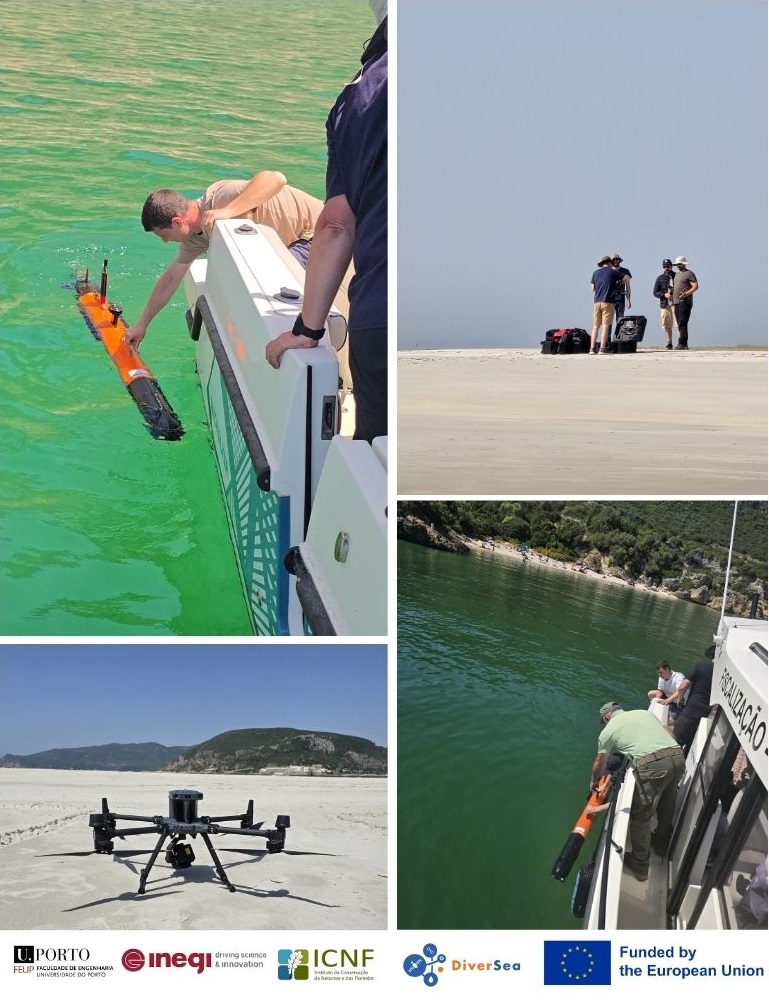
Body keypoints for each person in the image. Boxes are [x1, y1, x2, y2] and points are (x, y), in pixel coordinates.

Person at [265, 15, 388, 444]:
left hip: (380, 316)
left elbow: (336, 225)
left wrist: (307, 330)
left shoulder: (359, 97)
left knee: (376, 454)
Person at [125, 173, 323, 347]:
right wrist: (142, 324)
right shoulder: (194, 238)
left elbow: (276, 178)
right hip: (286, 244)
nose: (166, 241)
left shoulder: (220, 195)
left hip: (316, 234)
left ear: (177, 222)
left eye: (164, 235)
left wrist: (228, 211)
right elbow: (170, 279)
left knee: (271, 284)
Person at [590, 701, 685, 880]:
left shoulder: (608, 731)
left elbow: (599, 762)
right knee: (667, 802)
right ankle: (661, 843)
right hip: (677, 757)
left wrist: (594, 781)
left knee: (640, 815)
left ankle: (640, 866)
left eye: (604, 721)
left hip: (653, 766)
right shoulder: (644, 713)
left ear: (607, 716)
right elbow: (670, 735)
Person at [673, 646, 715, 752]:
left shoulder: (701, 665)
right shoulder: (724, 673)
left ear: (711, 656)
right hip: (708, 715)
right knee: (691, 747)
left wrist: (680, 699)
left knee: (675, 743)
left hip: (692, 711)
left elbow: (682, 687)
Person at [589, 256, 618, 354]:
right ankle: (602, 348)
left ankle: (592, 348)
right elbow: (627, 278)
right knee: (605, 326)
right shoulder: (613, 272)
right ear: (610, 263)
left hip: (597, 302)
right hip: (608, 301)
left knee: (595, 326)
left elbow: (592, 288)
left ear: (602, 264)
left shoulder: (595, 273)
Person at [671, 256, 699, 350]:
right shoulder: (676, 275)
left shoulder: (689, 273)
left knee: (682, 322)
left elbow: (695, 286)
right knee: (679, 323)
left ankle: (681, 343)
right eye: (677, 264)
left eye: (679, 264)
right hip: (676, 302)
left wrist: (686, 294)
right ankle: (684, 344)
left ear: (684, 264)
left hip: (685, 301)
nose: (678, 266)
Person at [652, 259, 676, 349]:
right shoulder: (660, 278)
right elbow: (655, 292)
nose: (666, 268)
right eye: (664, 266)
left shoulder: (676, 276)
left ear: (671, 266)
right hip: (665, 304)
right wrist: (664, 295)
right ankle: (669, 343)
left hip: (676, 303)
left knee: (678, 324)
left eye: (668, 266)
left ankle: (681, 343)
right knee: (666, 324)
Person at [609, 253, 632, 324]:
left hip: (621, 297)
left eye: (617, 259)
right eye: (614, 259)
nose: (616, 261)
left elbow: (628, 287)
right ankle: (607, 332)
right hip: (610, 297)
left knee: (620, 319)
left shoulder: (625, 271)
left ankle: (619, 331)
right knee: (608, 319)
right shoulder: (608, 271)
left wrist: (628, 300)